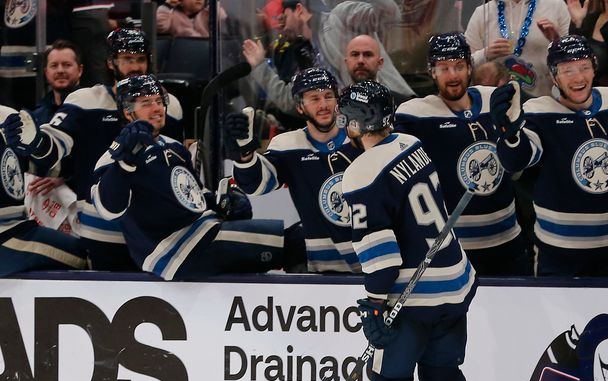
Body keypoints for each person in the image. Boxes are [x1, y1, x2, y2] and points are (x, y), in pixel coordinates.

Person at [339, 79, 495, 381]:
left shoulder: (361, 173)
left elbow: (384, 261)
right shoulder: (411, 143)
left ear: (355, 121)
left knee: (389, 378)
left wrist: (373, 304)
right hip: (456, 283)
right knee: (442, 375)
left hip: (416, 295)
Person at [7, 28, 184, 271]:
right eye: (127, 59)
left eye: (140, 59)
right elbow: (53, 151)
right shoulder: (85, 101)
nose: (135, 67)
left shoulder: (169, 105)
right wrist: (35, 141)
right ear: (111, 63)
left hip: (154, 232)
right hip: (102, 233)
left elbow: (176, 166)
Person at [490, 35, 608, 277]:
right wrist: (508, 133)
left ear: (594, 69)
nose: (578, 77)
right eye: (567, 70)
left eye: (584, 67)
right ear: (554, 76)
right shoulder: (536, 113)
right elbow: (516, 161)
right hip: (559, 253)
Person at [91, 74, 285, 280]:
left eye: (159, 101)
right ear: (127, 112)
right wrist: (124, 162)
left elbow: (196, 197)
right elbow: (108, 209)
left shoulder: (173, 147)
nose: (157, 108)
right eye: (146, 103)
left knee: (284, 243)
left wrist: (222, 203)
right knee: (289, 243)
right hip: (176, 251)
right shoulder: (114, 158)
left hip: (205, 233)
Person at [394, 32, 532, 276]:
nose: (453, 75)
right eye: (444, 68)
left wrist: (512, 132)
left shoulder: (496, 100)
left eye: (459, 66)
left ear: (470, 67)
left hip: (507, 243)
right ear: (432, 72)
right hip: (451, 248)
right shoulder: (414, 115)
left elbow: (520, 165)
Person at [224, 67, 363, 273]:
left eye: (328, 96)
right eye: (314, 99)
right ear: (300, 107)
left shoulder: (362, 139)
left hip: (372, 263)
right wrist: (245, 156)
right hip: (321, 271)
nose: (324, 105)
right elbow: (257, 184)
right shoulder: (288, 145)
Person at [243, 0, 414, 115]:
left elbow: (389, 14)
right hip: (359, 125)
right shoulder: (303, 56)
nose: (280, 28)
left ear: (300, 10)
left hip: (395, 109)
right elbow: (290, 101)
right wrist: (259, 67)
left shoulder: (339, 18)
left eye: (283, 18)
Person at [0, 106, 87, 276]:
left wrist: (38, 145)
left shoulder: (8, 115)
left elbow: (40, 164)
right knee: (86, 258)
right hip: (6, 236)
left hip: (19, 228)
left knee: (93, 249)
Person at [464, 0, 570, 98]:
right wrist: (485, 54)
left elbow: (575, 62)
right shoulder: (482, 12)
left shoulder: (556, 6)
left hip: (544, 103)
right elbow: (464, 65)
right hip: (494, 104)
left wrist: (556, 42)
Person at [27, 40, 84, 199]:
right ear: (46, 73)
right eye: (54, 65)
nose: (60, 70)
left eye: (66, 65)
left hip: (84, 200)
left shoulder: (94, 110)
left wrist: (66, 178)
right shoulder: (37, 115)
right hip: (45, 203)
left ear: (80, 70)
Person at [344, 34, 414, 106]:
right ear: (346, 63)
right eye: (355, 54)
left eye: (368, 55)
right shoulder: (335, 104)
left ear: (380, 63)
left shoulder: (402, 105)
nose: (360, 61)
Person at [156, 0, 227, 38]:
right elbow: (160, 26)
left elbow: (222, 17)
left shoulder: (207, 12)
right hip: (182, 52)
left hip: (206, 52)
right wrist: (167, 6)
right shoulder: (172, 14)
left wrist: (211, 3)